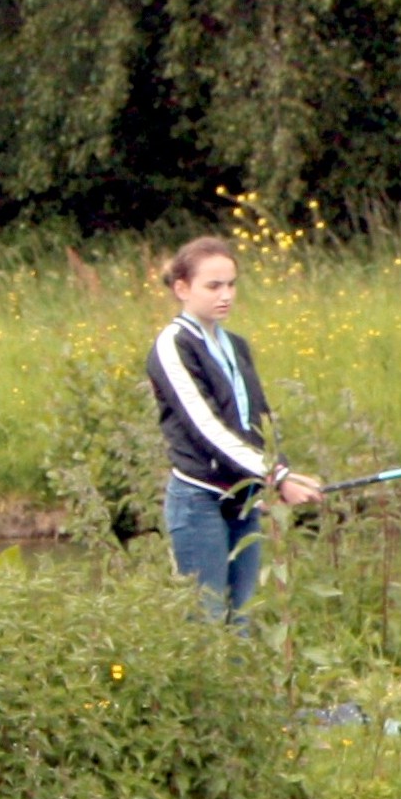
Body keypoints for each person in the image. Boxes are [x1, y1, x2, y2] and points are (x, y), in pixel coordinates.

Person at [148, 232, 320, 622]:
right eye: (213, 286)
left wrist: (279, 472)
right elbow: (205, 427)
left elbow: (259, 420)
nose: (225, 295)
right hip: (199, 499)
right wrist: (277, 476)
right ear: (182, 288)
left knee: (240, 618)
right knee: (207, 620)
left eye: (231, 285)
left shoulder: (235, 345)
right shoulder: (173, 345)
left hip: (244, 498)